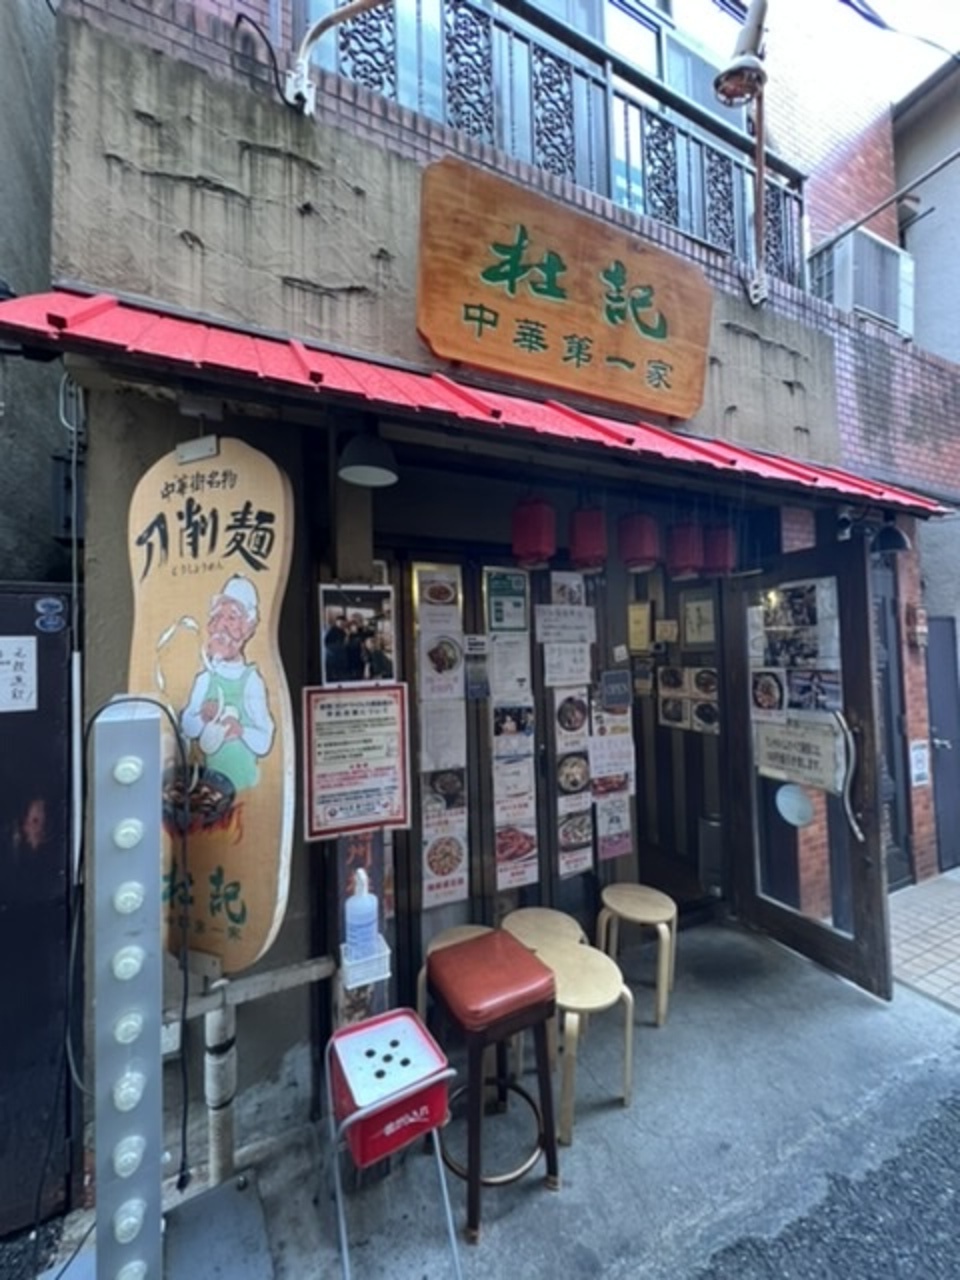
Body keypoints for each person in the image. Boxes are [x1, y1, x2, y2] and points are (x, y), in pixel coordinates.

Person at [181, 575, 275, 793]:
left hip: (248, 788)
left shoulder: (251, 681)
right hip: (211, 788)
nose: (222, 626)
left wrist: (240, 730)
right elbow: (187, 727)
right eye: (218, 616)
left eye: (232, 618)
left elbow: (265, 740)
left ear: (249, 628)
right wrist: (202, 716)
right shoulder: (205, 679)